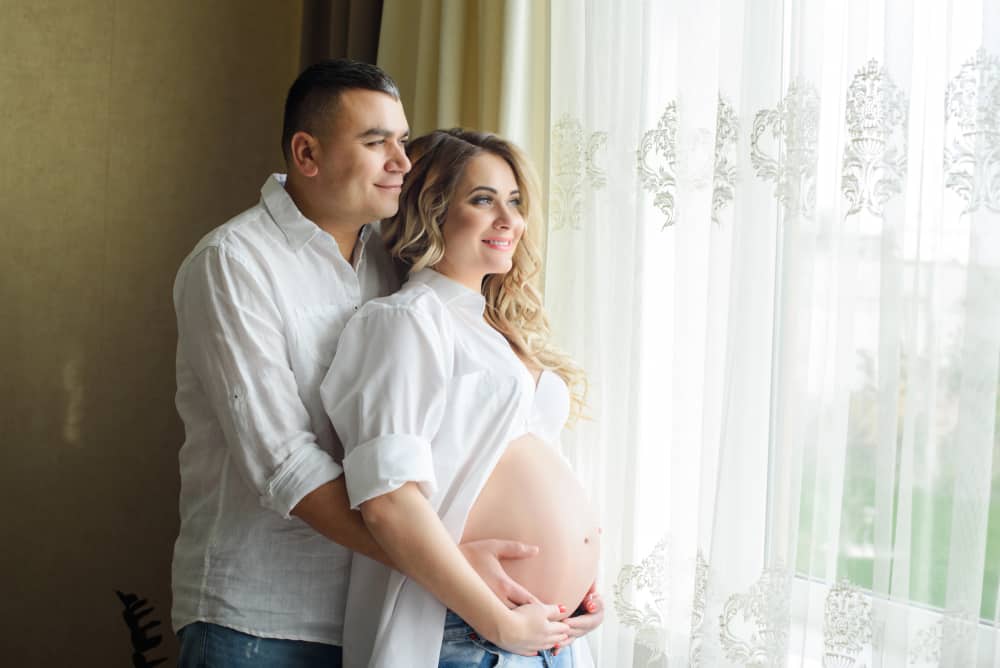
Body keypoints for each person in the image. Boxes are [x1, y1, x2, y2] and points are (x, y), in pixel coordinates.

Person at [170, 60, 552, 668]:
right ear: (307, 153)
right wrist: (455, 566)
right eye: (377, 143)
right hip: (261, 621)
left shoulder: (395, 258)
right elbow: (285, 464)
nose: (401, 162)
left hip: (376, 612)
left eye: (402, 141)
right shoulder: (234, 262)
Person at [321, 129, 604, 667]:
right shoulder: (407, 321)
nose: (509, 220)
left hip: (548, 637)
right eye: (483, 199)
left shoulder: (496, 331)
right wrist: (497, 621)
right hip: (467, 633)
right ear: (431, 209)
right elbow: (388, 502)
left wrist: (584, 583)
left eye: (515, 202)